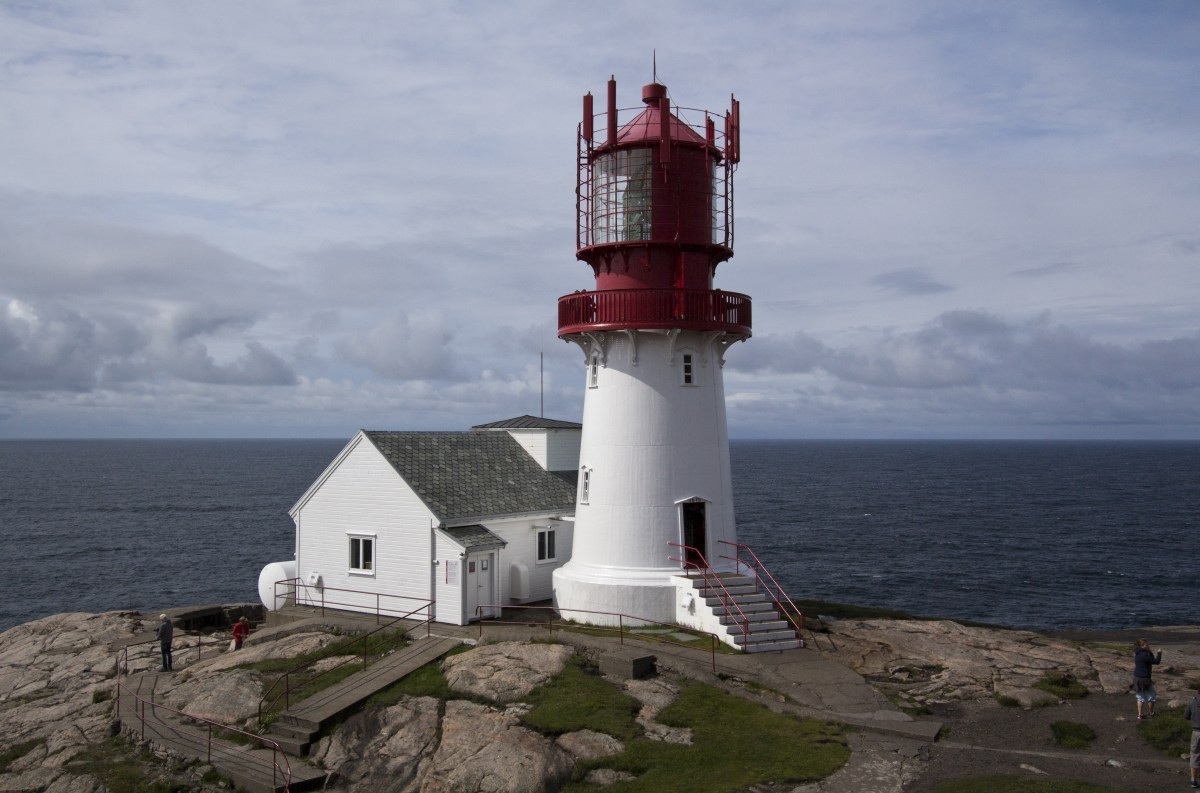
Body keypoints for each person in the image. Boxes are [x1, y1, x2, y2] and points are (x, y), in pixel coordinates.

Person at [1132, 637, 1162, 720]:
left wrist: (1149, 652)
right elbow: (1156, 661)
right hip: (1144, 678)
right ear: (1143, 645)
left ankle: (1140, 714)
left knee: (1140, 696)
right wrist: (1159, 653)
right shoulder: (1145, 655)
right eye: (1146, 644)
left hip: (1136, 677)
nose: (1148, 645)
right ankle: (1151, 712)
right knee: (1151, 695)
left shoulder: (1137, 654)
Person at [1184, 688, 1200, 788]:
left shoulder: (1193, 702)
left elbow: (1186, 716)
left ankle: (1193, 780)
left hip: (1196, 731)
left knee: (1195, 754)